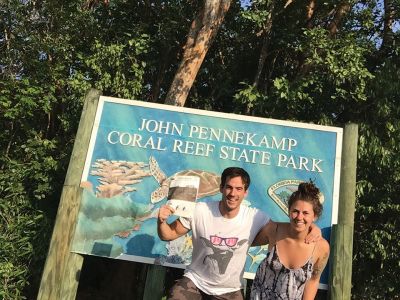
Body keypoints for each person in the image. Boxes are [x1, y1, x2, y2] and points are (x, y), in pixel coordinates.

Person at [157, 167, 320, 300]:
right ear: (221, 188)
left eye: (238, 189)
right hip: (195, 282)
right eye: (228, 187)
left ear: (245, 192)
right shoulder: (200, 210)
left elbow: (286, 228)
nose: (232, 193)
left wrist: (311, 227)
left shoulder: (255, 217)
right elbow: (167, 235)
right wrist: (161, 221)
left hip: (230, 290)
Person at [250, 181, 330, 300]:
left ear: (315, 216)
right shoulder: (274, 230)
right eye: (295, 211)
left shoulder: (321, 247)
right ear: (288, 211)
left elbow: (313, 280)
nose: (299, 217)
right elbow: (244, 242)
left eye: (305, 213)